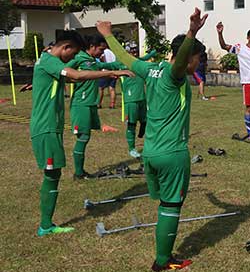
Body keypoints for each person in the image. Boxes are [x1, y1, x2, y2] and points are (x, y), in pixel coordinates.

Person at [97, 8, 208, 271]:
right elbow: (180, 63)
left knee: (164, 205)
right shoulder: (174, 74)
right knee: (172, 205)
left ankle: (163, 253)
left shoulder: (151, 69)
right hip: (172, 154)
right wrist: (192, 32)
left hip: (151, 153)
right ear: (189, 57)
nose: (198, 64)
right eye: (198, 59)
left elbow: (125, 58)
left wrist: (108, 35)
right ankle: (163, 261)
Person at [30, 32, 132, 237]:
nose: (72, 59)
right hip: (46, 127)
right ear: (65, 47)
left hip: (51, 126)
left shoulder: (47, 60)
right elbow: (75, 75)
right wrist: (111, 73)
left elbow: (66, 80)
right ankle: (45, 226)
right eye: (72, 54)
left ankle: (47, 224)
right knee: (51, 174)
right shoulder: (50, 60)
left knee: (54, 173)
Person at [68, 35, 124, 179]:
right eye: (101, 49)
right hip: (81, 104)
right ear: (92, 46)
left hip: (90, 104)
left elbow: (102, 66)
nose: (102, 53)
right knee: (83, 137)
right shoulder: (78, 57)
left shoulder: (92, 60)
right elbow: (63, 71)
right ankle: (78, 173)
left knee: (87, 136)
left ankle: (80, 171)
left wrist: (123, 65)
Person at [121, 49, 158, 159]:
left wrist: (155, 51)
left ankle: (146, 140)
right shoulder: (121, 64)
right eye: (131, 51)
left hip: (142, 98)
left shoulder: (138, 62)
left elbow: (147, 57)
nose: (134, 53)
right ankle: (132, 149)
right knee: (131, 124)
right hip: (130, 100)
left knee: (146, 122)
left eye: (135, 51)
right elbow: (105, 65)